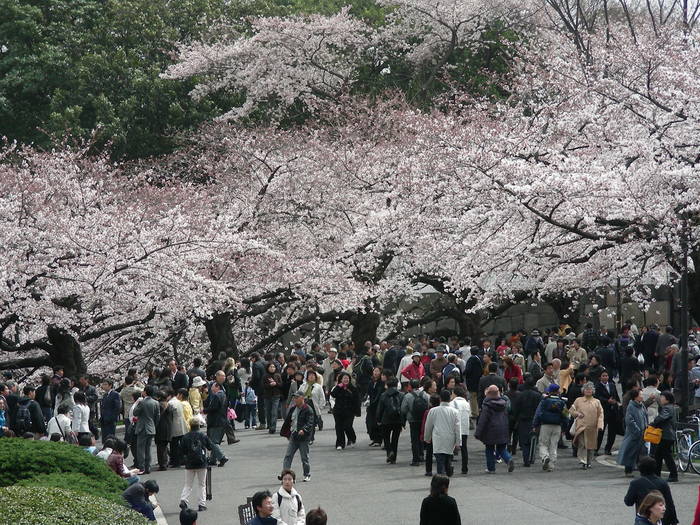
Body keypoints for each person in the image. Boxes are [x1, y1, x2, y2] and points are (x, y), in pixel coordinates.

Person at [624, 456, 678, 525]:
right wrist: (674, 521)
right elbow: (670, 504)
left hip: (644, 517)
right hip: (661, 519)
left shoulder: (635, 484)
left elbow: (628, 502)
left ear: (640, 469)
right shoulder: (663, 483)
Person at [474, 384, 514, 474]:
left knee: (489, 449)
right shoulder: (503, 404)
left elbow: (483, 420)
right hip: (502, 429)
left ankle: (491, 468)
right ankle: (508, 459)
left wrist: (478, 433)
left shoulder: (487, 405)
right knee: (502, 448)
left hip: (490, 430)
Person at [424, 389, 460, 476]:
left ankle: (441, 476)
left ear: (440, 399)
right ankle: (447, 472)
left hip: (438, 439)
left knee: (440, 459)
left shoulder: (433, 411)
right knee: (448, 458)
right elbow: (458, 428)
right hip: (450, 439)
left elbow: (428, 426)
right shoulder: (455, 412)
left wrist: (427, 438)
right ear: (450, 398)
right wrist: (458, 442)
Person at [179, 418, 212, 512]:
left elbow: (182, 450)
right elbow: (210, 446)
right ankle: (201, 504)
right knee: (201, 484)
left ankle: (184, 500)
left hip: (189, 463)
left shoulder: (185, 436)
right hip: (201, 463)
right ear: (198, 425)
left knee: (188, 484)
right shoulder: (202, 435)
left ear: (190, 425)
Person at [533, 383, 568, 472]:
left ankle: (545, 457)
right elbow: (566, 416)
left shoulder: (544, 401)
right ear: (558, 391)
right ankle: (551, 465)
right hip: (557, 426)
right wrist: (564, 428)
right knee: (554, 445)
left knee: (543, 444)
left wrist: (535, 425)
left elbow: (538, 413)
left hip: (545, 425)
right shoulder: (562, 402)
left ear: (549, 391)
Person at [281, 391, 314, 482]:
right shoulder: (293, 409)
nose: (295, 399)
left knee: (304, 457)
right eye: (294, 397)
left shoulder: (308, 409)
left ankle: (307, 474)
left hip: (303, 438)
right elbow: (288, 421)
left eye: (297, 397)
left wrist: (304, 430)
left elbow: (310, 422)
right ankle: (285, 476)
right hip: (294, 436)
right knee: (288, 456)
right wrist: (286, 433)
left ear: (302, 398)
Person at [569, 382, 604, 469]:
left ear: (593, 391)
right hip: (581, 426)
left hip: (592, 427)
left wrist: (600, 425)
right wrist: (577, 413)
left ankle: (589, 461)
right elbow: (571, 410)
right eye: (586, 389)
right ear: (583, 391)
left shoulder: (597, 402)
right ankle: (583, 461)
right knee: (582, 444)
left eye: (590, 389)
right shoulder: (578, 400)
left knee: (591, 446)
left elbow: (601, 414)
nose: (588, 391)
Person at [618, 387, 649, 476]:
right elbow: (629, 420)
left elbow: (645, 416)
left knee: (642, 453)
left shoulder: (641, 405)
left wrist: (646, 427)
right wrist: (637, 431)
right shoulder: (631, 406)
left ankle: (643, 470)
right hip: (634, 434)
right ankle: (628, 471)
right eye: (641, 395)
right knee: (630, 452)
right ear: (635, 397)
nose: (642, 396)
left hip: (643, 433)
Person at [649, 392, 678, 482]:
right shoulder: (668, 407)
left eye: (662, 397)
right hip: (666, 435)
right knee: (659, 455)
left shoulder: (668, 408)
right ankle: (657, 475)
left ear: (667, 399)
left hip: (666, 436)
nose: (660, 398)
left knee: (666, 455)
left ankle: (673, 475)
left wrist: (653, 424)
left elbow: (661, 418)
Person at [376, 377, 404, 464]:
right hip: (398, 420)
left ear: (387, 385)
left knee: (386, 438)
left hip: (386, 420)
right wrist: (403, 421)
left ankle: (389, 452)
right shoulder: (401, 395)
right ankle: (393, 458)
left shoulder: (383, 395)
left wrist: (378, 419)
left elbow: (380, 409)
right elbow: (403, 409)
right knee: (395, 439)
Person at [134, 385, 160, 474]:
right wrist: (154, 425)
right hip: (151, 427)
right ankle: (148, 467)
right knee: (148, 448)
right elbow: (157, 416)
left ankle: (142, 467)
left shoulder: (142, 402)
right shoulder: (156, 403)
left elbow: (135, 412)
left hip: (142, 427)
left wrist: (137, 403)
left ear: (145, 392)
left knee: (140, 448)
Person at [330, 372, 359, 450]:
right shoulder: (337, 387)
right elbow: (333, 394)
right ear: (341, 379)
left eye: (347, 378)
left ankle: (352, 438)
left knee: (347, 426)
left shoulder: (353, 388)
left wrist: (357, 411)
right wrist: (339, 387)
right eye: (344, 378)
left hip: (349, 411)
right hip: (338, 411)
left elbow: (356, 400)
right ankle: (340, 444)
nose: (346, 380)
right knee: (339, 428)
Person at [595, 370, 621, 455]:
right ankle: (596, 448)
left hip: (613, 411)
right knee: (601, 431)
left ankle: (608, 448)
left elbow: (616, 396)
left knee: (612, 432)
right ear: (600, 377)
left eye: (606, 375)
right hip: (603, 411)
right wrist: (607, 401)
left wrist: (617, 402)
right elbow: (597, 397)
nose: (605, 377)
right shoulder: (597, 386)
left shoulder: (612, 385)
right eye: (603, 376)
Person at [401, 379, 427, 466]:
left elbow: (403, 409)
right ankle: (422, 455)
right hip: (423, 420)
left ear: (410, 386)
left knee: (414, 440)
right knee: (421, 438)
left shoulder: (408, 396)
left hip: (413, 420)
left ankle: (415, 459)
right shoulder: (425, 395)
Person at [299, 370, 325, 444]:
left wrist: (320, 407)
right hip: (304, 405)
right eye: (309, 375)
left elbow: (322, 398)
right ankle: (305, 436)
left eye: (313, 375)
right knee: (304, 421)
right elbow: (299, 395)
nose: (311, 376)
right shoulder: (303, 385)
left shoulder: (318, 387)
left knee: (312, 423)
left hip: (313, 405)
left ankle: (311, 437)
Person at [366, 367, 385, 446]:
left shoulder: (382, 383)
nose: (375, 373)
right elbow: (369, 392)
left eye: (377, 371)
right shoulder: (371, 382)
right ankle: (374, 438)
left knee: (376, 423)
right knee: (369, 422)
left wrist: (374, 402)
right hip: (371, 405)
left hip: (378, 405)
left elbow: (380, 394)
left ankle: (378, 440)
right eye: (374, 371)